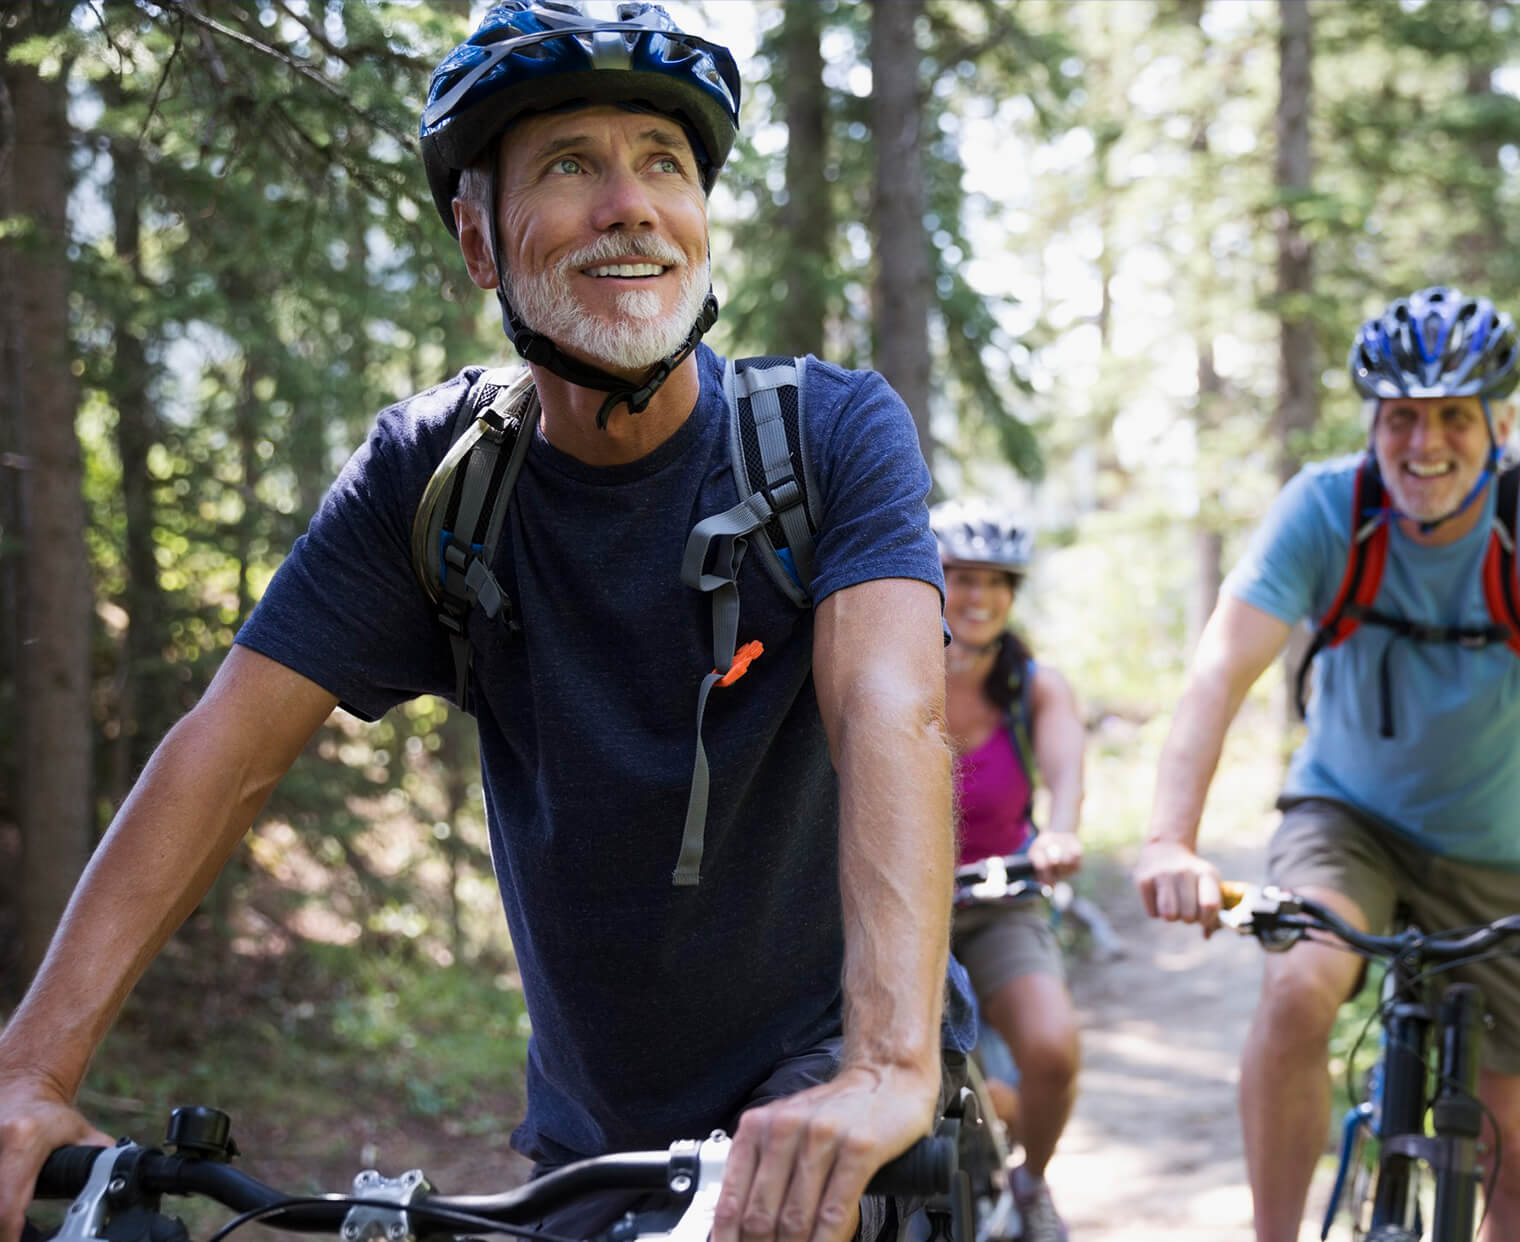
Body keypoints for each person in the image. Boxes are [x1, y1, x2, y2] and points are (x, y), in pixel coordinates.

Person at [0, 6, 967, 1242]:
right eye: (572, 162)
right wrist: (32, 1070)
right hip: (587, 1139)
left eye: (662, 161)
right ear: (477, 239)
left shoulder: (828, 437)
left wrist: (887, 1066)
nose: (631, 203)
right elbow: (226, 753)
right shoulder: (436, 479)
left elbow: (894, 707)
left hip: (833, 1076)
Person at [1132, 286, 1520, 1242]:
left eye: (1454, 416)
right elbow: (1217, 674)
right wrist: (1168, 842)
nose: (1424, 443)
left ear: (1504, 422)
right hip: (1346, 820)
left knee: (1514, 1148)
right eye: (1401, 416)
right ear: (1372, 422)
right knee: (1298, 987)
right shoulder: (1329, 506)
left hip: (1506, 849)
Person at [933, 501, 1084, 1242]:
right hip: (899, 902)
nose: (978, 597)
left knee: (1052, 1050)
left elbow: (1065, 779)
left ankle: (1030, 1182)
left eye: (997, 582)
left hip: (1001, 895)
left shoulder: (1035, 688)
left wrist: (1059, 835)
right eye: (962, 577)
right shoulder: (895, 665)